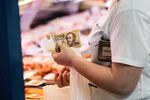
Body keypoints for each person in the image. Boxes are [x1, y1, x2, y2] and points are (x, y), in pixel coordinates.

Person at [52, 0, 150, 99]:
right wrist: (79, 71)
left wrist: (73, 61)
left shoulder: (130, 10)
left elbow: (122, 84)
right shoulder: (123, 5)